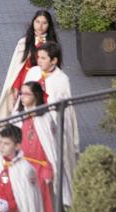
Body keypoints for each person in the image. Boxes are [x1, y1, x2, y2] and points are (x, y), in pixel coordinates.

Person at [27, 41, 78, 206]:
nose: (39, 61)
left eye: (43, 58)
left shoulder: (61, 80)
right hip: (31, 128)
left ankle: (62, 200)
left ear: (54, 60)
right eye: (38, 57)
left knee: (56, 163)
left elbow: (66, 110)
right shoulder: (33, 73)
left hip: (51, 128)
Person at [0, 10, 58, 122]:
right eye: (37, 22)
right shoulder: (25, 42)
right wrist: (16, 87)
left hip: (44, 84)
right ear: (33, 22)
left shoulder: (53, 44)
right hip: (25, 83)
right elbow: (18, 68)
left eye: (44, 23)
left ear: (49, 25)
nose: (40, 26)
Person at [18, 81, 57, 212]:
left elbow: (51, 148)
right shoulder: (19, 116)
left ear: (36, 96)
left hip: (40, 169)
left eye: (26, 94)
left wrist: (48, 171)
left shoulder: (45, 119)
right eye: (21, 93)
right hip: (23, 168)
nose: (22, 97)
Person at [0, 124, 43, 211]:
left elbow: (29, 200)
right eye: (0, 142)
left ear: (17, 146)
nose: (1, 147)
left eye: (6, 144)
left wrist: (10, 206)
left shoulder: (26, 170)